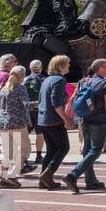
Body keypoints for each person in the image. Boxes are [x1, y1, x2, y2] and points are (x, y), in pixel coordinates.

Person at [61, 59, 106, 195]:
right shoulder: (105, 84)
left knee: (87, 150)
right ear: (101, 68)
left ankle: (90, 180)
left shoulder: (83, 81)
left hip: (84, 119)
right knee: (95, 150)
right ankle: (73, 174)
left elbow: (76, 98)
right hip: (98, 120)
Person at [0, 65, 31, 189]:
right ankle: (11, 176)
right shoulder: (20, 88)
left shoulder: (3, 89)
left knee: (7, 153)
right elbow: (26, 105)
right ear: (22, 76)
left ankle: (4, 177)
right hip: (17, 122)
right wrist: (38, 104)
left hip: (3, 123)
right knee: (25, 149)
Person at [35, 55, 71, 190]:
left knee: (51, 149)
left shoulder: (47, 80)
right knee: (63, 147)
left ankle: (43, 179)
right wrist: (66, 119)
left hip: (43, 119)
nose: (69, 66)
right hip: (54, 120)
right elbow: (56, 103)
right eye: (67, 64)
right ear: (61, 66)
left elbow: (45, 99)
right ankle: (47, 174)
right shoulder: (59, 80)